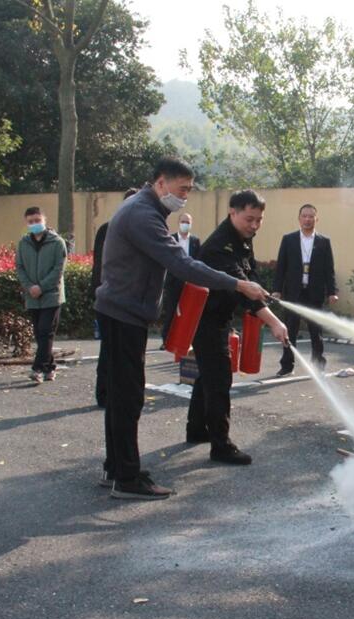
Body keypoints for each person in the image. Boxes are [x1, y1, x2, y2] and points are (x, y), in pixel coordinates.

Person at [95, 158, 268, 500]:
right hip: (124, 314)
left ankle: (117, 466)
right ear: (160, 184)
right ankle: (127, 479)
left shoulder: (142, 207)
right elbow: (183, 264)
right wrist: (239, 285)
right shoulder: (144, 215)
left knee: (120, 396)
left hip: (121, 311)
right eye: (182, 189)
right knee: (127, 397)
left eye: (189, 190)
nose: (185, 197)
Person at [187, 189, 289, 466]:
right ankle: (221, 446)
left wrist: (260, 288)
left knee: (206, 374)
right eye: (249, 219)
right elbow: (242, 289)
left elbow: (249, 273)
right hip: (206, 319)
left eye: (259, 220)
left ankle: (196, 429)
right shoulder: (220, 245)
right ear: (232, 212)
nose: (254, 226)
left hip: (219, 316)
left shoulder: (242, 238)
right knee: (219, 380)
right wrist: (276, 323)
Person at [272, 203, 338, 376]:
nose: (307, 219)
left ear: (317, 219)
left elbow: (329, 269)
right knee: (289, 331)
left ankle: (318, 365)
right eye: (304, 216)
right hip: (293, 292)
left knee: (316, 332)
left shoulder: (324, 242)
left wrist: (332, 292)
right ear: (299, 218)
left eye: (311, 216)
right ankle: (287, 365)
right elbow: (281, 267)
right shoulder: (289, 239)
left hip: (314, 293)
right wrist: (277, 289)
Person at [92, 187, 138, 407]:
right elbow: (99, 266)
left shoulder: (139, 229)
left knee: (120, 353)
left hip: (126, 301)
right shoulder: (109, 229)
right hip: (111, 299)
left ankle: (115, 393)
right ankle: (104, 393)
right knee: (109, 350)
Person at [15, 206, 67, 384]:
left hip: (51, 295)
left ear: (44, 220)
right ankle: (50, 367)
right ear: (26, 223)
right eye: (31, 221)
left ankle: (37, 368)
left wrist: (42, 287)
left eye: (37, 220)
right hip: (32, 297)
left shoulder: (57, 242)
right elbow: (20, 267)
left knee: (46, 330)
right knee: (40, 334)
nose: (35, 224)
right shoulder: (23, 243)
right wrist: (30, 287)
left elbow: (58, 269)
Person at [160, 211, 202, 345]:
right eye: (183, 222)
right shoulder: (171, 239)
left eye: (188, 222)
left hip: (190, 281)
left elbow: (198, 260)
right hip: (174, 280)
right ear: (179, 223)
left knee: (190, 312)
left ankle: (188, 340)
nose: (185, 224)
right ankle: (166, 340)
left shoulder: (195, 241)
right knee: (171, 311)